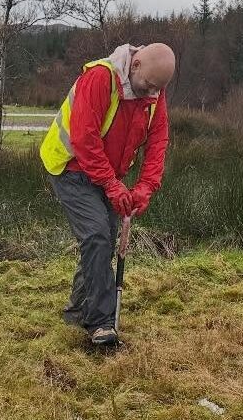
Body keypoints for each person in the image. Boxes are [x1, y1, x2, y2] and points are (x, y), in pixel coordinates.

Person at [39, 43, 176, 346]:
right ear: (135, 64)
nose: (151, 93)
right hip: (69, 165)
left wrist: (145, 187)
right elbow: (84, 139)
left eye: (158, 89)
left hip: (107, 172)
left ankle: (77, 310)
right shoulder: (101, 77)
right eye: (148, 85)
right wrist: (113, 186)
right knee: (97, 235)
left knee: (103, 238)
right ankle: (100, 323)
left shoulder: (154, 91)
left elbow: (158, 141)